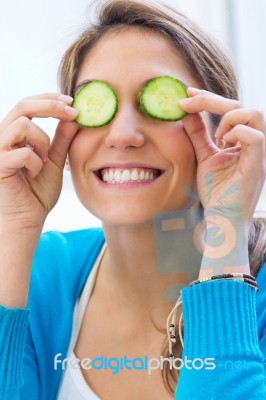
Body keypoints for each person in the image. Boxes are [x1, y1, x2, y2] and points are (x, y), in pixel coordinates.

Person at [0, 0, 266, 399]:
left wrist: (226, 220)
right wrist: (14, 226)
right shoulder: (37, 274)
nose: (123, 134)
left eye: (159, 104)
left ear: (221, 132)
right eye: (98, 107)